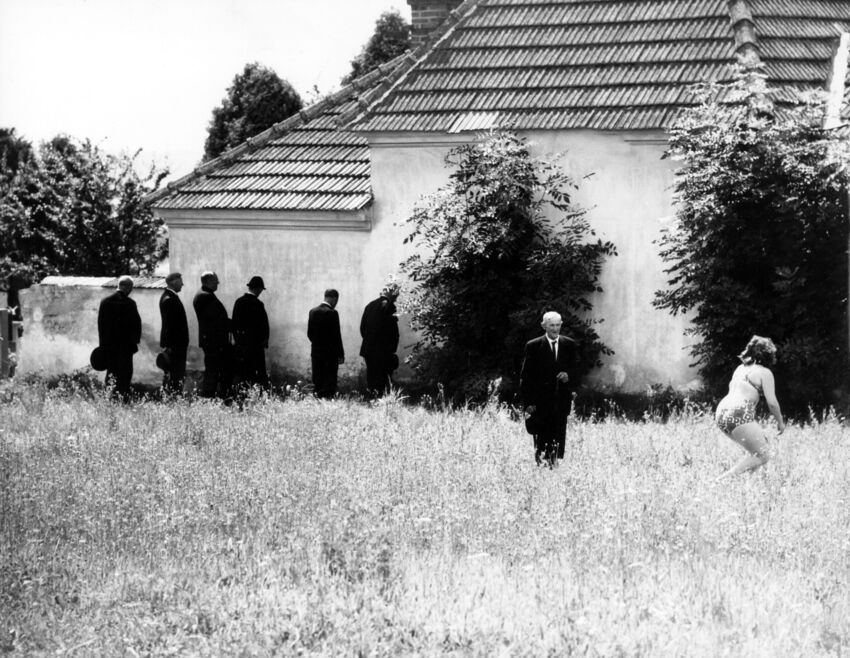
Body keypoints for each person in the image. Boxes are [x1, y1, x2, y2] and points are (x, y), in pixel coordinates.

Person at [715, 335, 785, 478]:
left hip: (721, 413)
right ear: (769, 354)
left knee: (755, 453)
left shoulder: (740, 368)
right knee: (764, 455)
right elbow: (772, 402)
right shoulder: (765, 373)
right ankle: (722, 480)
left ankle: (750, 486)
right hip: (738, 413)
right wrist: (780, 422)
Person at [519, 311, 580, 468]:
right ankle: (542, 466)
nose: (555, 329)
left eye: (558, 325)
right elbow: (526, 377)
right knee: (541, 437)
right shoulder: (533, 346)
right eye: (551, 325)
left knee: (558, 436)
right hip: (540, 403)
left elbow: (576, 370)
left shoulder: (569, 344)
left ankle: (555, 466)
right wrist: (529, 403)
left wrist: (569, 376)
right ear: (544, 326)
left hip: (561, 401)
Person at [97, 275, 141, 401]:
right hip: (126, 348)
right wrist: (134, 342)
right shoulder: (130, 303)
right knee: (125, 375)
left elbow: (101, 326)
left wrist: (103, 346)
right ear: (126, 287)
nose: (131, 290)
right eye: (131, 287)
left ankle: (109, 398)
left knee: (111, 373)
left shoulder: (105, 302)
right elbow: (137, 325)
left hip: (109, 347)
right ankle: (123, 399)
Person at [192, 271, 234, 400]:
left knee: (214, 370)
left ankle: (213, 396)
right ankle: (211, 397)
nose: (218, 283)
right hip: (215, 341)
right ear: (209, 281)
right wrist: (235, 324)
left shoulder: (204, 295)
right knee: (214, 370)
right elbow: (218, 320)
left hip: (212, 340)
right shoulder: (206, 296)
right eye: (216, 281)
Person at [359, 281, 400, 398]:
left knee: (372, 376)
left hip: (368, 349)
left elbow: (362, 328)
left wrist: (370, 341)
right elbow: (392, 331)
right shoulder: (389, 306)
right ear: (392, 293)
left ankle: (372, 398)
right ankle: (382, 400)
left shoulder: (369, 305)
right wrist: (391, 348)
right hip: (383, 350)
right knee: (383, 378)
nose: (397, 298)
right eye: (396, 295)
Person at [231, 275, 270, 391]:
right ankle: (257, 394)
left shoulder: (239, 302)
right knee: (257, 373)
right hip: (256, 347)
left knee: (243, 374)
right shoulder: (258, 304)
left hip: (242, 346)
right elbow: (264, 327)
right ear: (258, 289)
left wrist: (238, 341)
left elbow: (234, 324)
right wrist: (263, 342)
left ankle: (242, 394)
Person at [308, 288, 345, 399]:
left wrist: (317, 344)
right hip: (330, 353)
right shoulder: (332, 313)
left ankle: (317, 399)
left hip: (316, 351)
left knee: (318, 379)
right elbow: (336, 336)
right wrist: (340, 354)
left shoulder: (313, 311)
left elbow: (310, 334)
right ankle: (329, 400)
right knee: (329, 380)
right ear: (334, 298)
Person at [158, 272, 189, 396]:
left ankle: (171, 395)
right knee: (175, 374)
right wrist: (171, 347)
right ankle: (173, 397)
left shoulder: (169, 297)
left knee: (174, 374)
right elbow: (171, 326)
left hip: (174, 344)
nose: (182, 284)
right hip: (175, 345)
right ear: (174, 282)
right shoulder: (170, 299)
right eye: (180, 281)